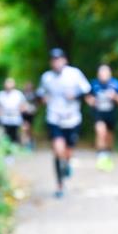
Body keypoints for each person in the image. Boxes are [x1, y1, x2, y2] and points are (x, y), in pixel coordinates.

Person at [37, 47, 92, 198]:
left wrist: (75, 94)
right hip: (54, 118)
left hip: (72, 118)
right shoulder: (46, 78)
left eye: (59, 59)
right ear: (50, 62)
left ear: (64, 60)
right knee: (57, 150)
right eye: (53, 60)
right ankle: (59, 185)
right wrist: (42, 99)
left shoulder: (74, 74)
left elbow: (87, 90)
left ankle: (67, 163)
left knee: (68, 151)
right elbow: (40, 94)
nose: (56, 63)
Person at [87, 64, 118, 172]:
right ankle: (101, 157)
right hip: (98, 114)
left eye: (105, 73)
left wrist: (115, 97)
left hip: (111, 114)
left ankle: (108, 155)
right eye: (101, 73)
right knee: (101, 132)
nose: (103, 75)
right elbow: (87, 97)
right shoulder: (94, 84)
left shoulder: (116, 85)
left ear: (110, 74)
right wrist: (92, 101)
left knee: (109, 136)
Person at [0, 77, 26, 145]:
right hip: (4, 118)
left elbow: (23, 106)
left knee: (14, 135)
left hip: (15, 118)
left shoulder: (18, 94)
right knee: (4, 136)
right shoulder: (0, 95)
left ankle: (13, 149)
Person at [21, 81, 38, 149]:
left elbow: (36, 104)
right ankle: (26, 144)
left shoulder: (34, 94)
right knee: (25, 128)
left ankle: (30, 143)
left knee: (30, 129)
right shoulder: (22, 94)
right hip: (24, 114)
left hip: (31, 114)